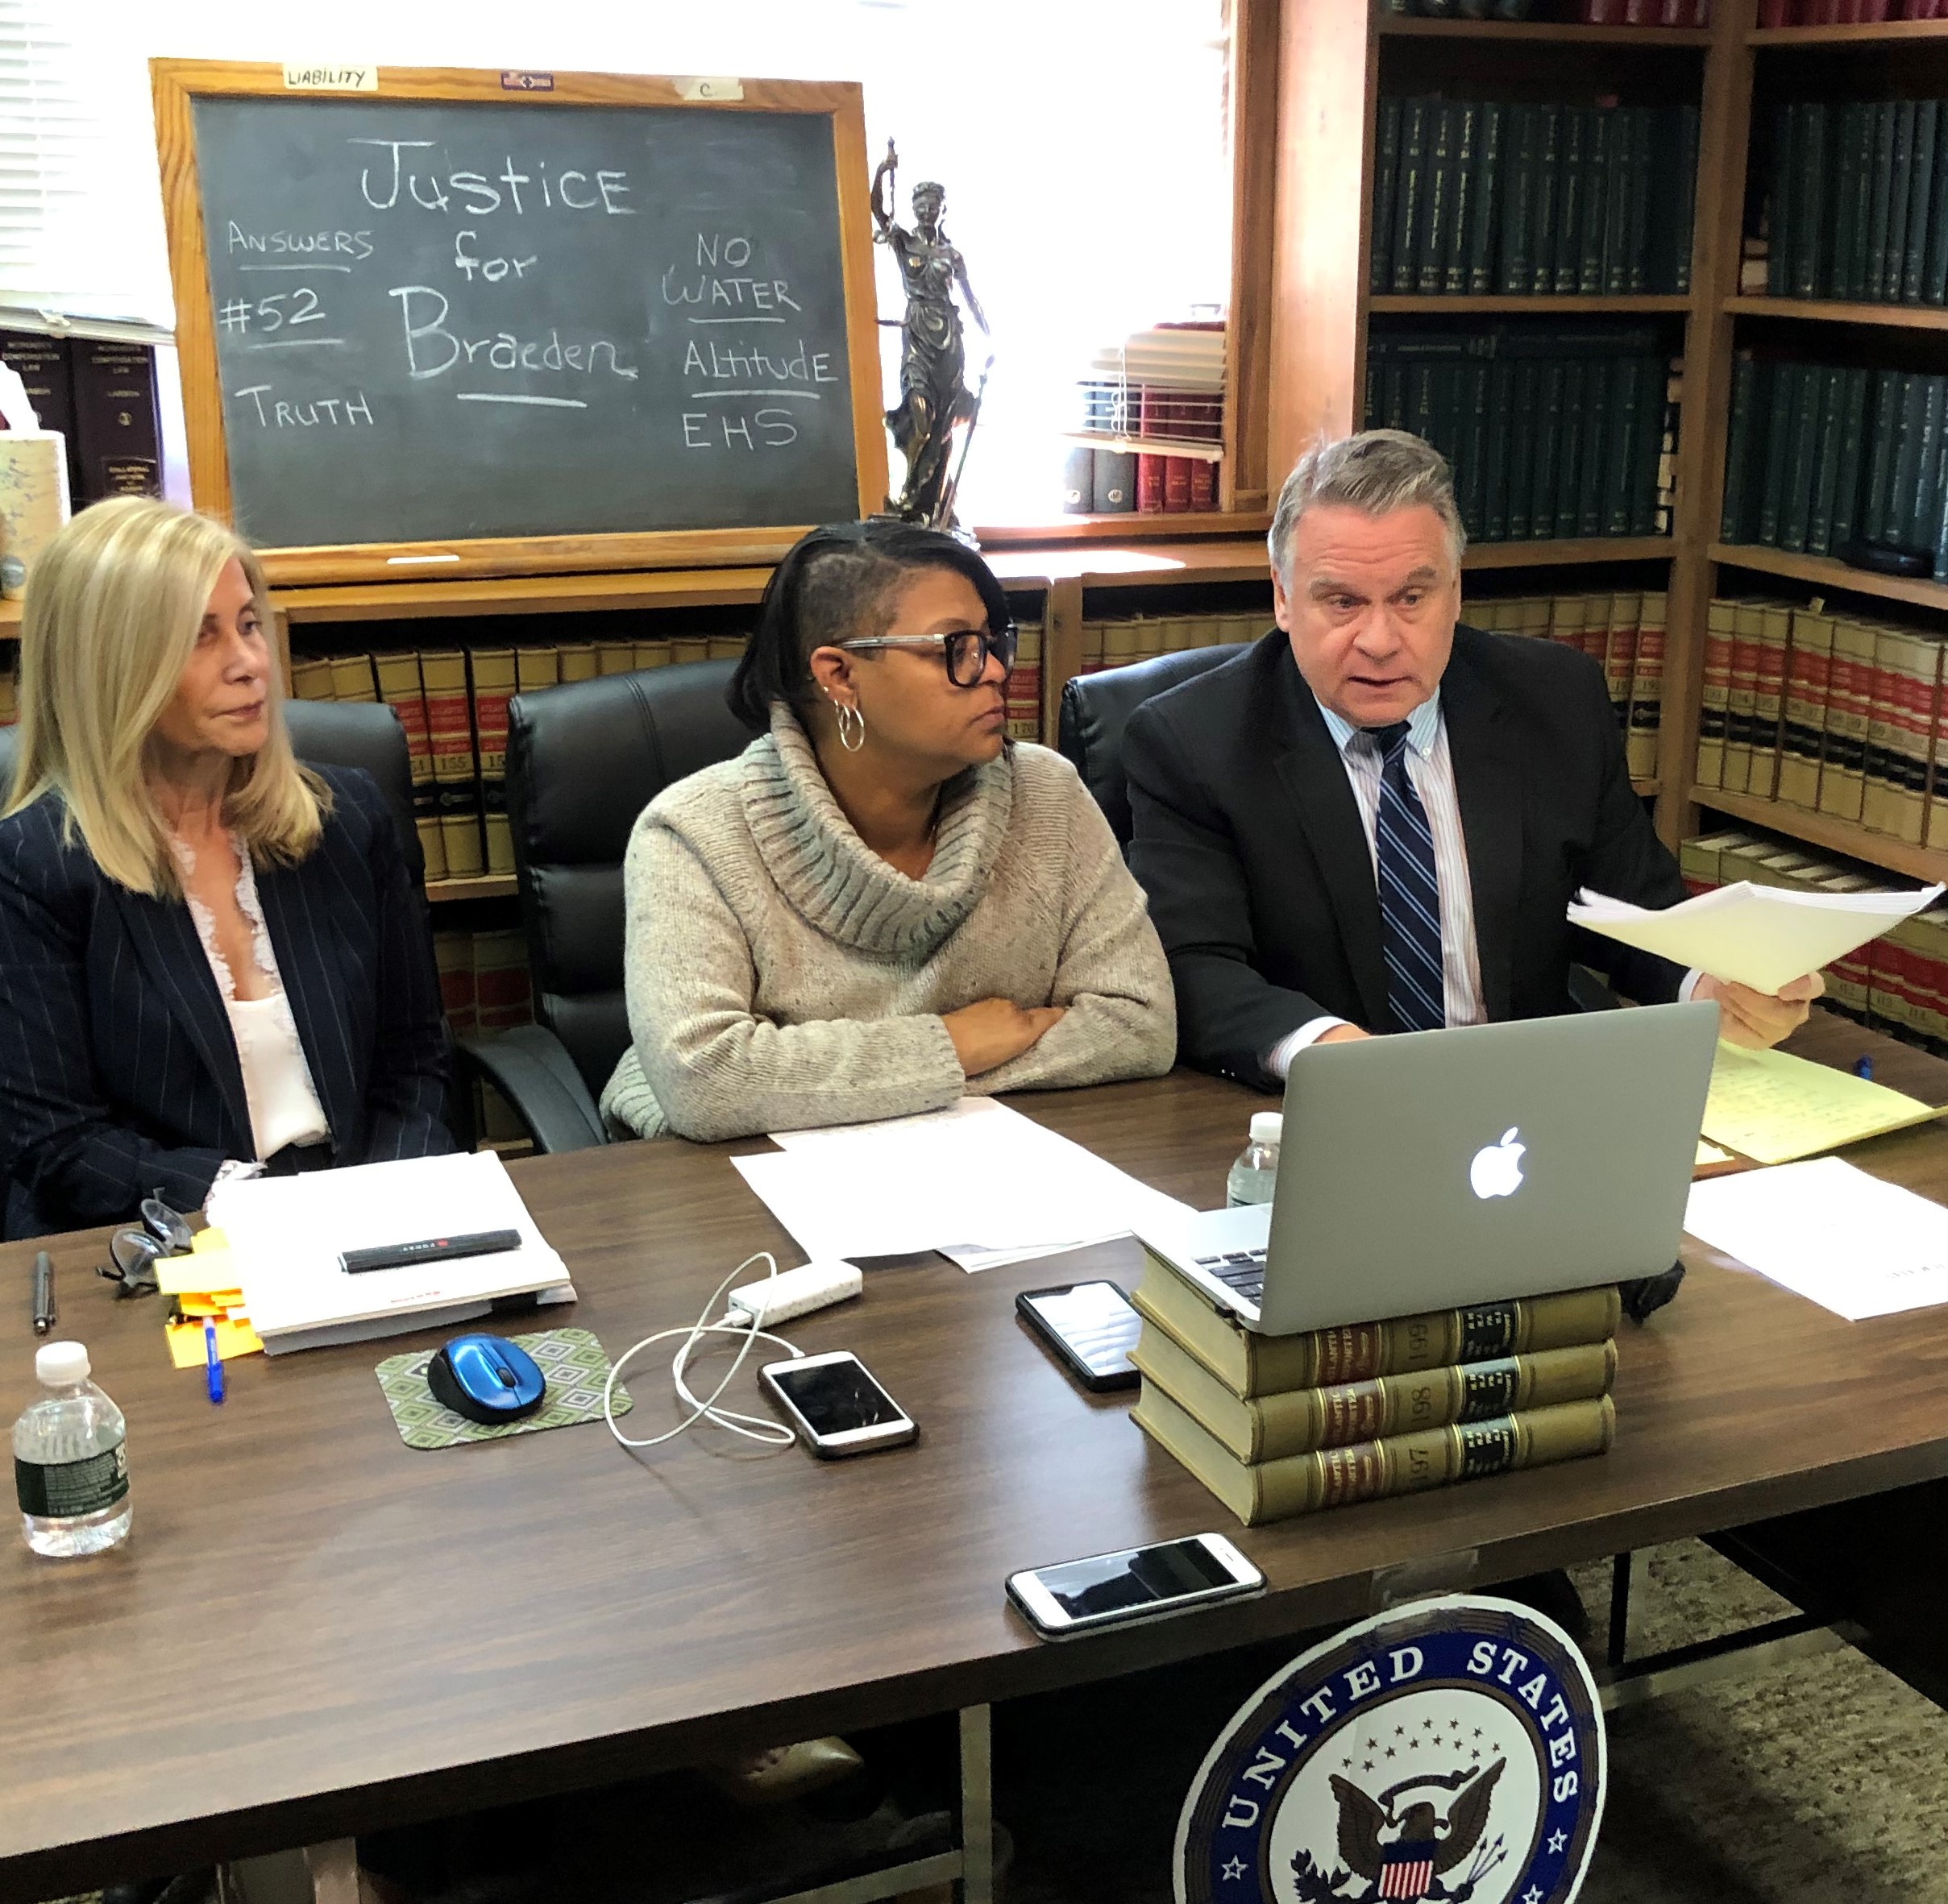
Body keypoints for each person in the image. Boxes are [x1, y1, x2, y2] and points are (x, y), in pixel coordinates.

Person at [1124, 429, 1822, 1088]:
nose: (1378, 640)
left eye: (1411, 598)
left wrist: (1708, 985)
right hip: (1326, 1105)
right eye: (1341, 602)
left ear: (1455, 593)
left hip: (1530, 1101)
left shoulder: (1554, 700)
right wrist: (1330, 1050)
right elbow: (1191, 966)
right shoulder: (1194, 742)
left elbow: (1632, 908)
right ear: (1282, 598)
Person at [600, 518, 1175, 1143]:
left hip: (995, 1157)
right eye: (955, 647)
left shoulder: (1046, 793)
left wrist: (804, 1083)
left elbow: (1139, 1023)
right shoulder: (692, 833)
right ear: (840, 675)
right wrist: (951, 1045)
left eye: (991, 642)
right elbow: (705, 1082)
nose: (992, 671)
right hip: (743, 1180)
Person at [0, 497, 453, 1240]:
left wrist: (384, 1200)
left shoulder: (346, 818)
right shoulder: (32, 865)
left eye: (248, 624)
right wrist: (264, 1209)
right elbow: (59, 1143)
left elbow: (415, 1062)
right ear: (109, 666)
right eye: (199, 637)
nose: (249, 664)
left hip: (370, 1206)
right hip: (172, 1233)